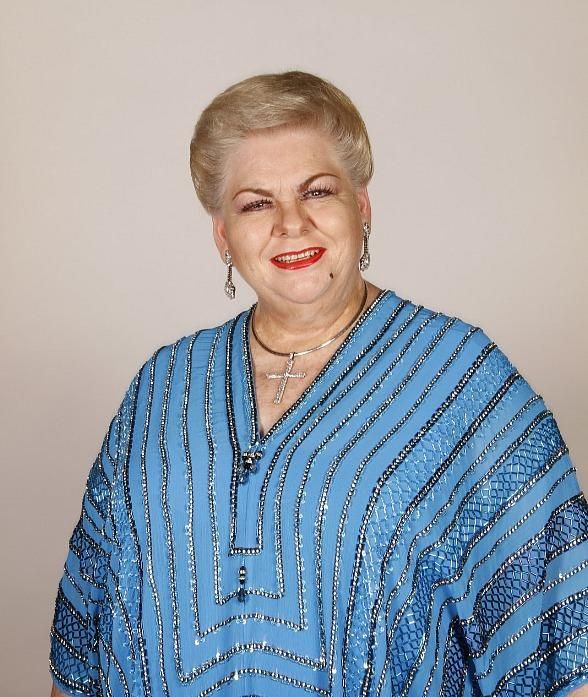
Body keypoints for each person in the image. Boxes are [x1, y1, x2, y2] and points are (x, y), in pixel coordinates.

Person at [49, 71, 588, 697]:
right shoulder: (162, 388)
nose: (290, 223)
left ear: (361, 208)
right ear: (223, 235)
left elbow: (565, 633)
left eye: (318, 191)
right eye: (255, 203)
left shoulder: (460, 381)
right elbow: (83, 643)